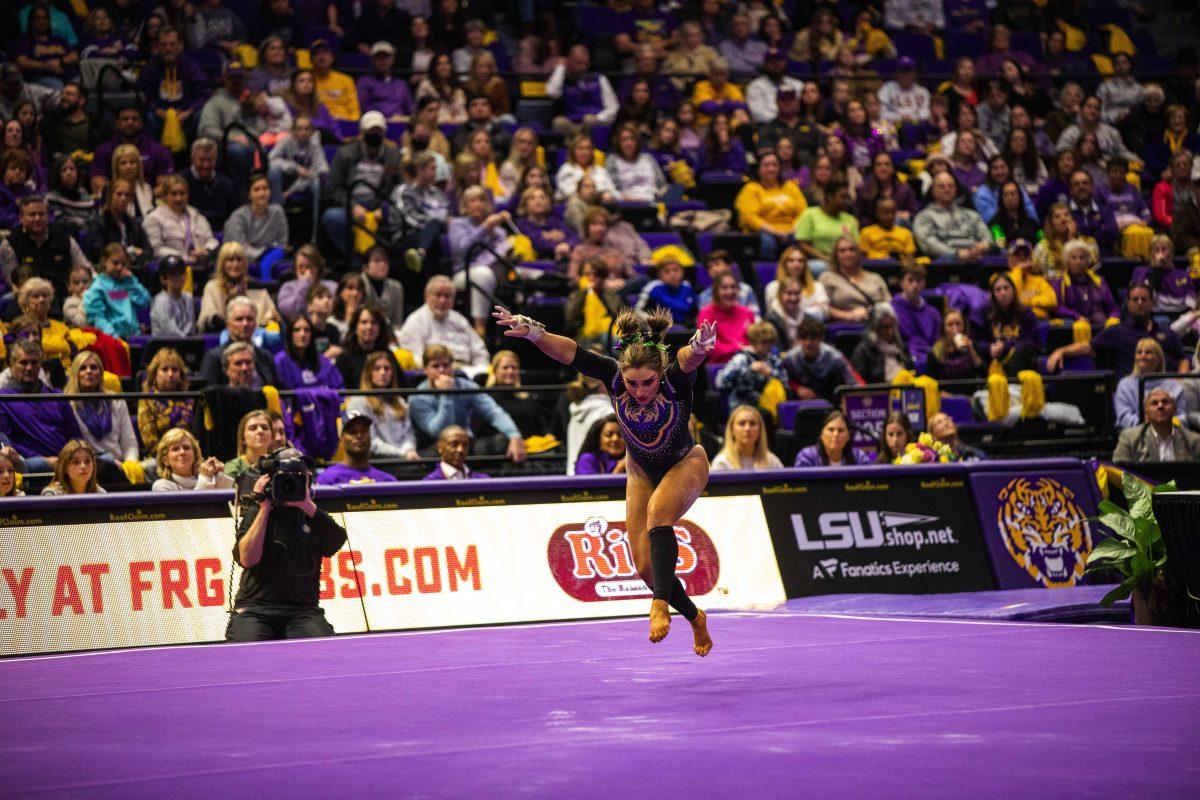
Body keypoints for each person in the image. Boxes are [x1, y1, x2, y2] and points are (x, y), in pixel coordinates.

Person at [494, 304, 716, 656]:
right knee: (645, 567)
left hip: (686, 461)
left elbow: (688, 359)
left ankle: (658, 605)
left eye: (647, 382)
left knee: (659, 512)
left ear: (660, 374)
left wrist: (701, 347)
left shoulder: (674, 381)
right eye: (632, 383)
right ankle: (695, 617)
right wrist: (535, 333)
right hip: (641, 469)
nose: (640, 390)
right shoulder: (612, 376)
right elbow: (571, 354)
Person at [228, 446, 347, 641]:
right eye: (287, 475)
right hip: (255, 609)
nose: (292, 479)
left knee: (319, 655)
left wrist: (306, 504)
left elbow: (336, 543)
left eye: (300, 474)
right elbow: (247, 559)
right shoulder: (257, 510)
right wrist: (264, 507)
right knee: (248, 656)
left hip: (303, 610)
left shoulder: (312, 514)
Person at [409, 343, 526, 460]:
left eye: (446, 365)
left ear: (452, 366)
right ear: (425, 370)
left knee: (503, 441)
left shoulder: (464, 385)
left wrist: (514, 435)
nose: (442, 370)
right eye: (435, 366)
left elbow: (492, 411)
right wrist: (446, 394)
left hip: (463, 444)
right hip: (435, 447)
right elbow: (439, 432)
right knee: (430, 454)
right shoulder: (418, 397)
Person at [1047, 284, 1187, 378]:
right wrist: (1061, 351)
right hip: (1133, 389)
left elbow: (1183, 359)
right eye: (1135, 299)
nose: (1139, 303)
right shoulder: (1117, 332)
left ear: (1152, 303)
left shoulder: (1167, 331)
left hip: (1168, 387)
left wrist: (1181, 380)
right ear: (1128, 303)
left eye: (1144, 299)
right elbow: (1088, 347)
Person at [0, 339, 82, 472]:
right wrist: (45, 460)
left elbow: (75, 434)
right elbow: (8, 442)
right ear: (11, 365)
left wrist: (68, 457)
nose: (29, 368)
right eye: (23, 362)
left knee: (104, 461)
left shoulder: (57, 395)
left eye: (34, 362)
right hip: (31, 463)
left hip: (66, 460)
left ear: (41, 365)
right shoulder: (3, 398)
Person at [0, 195, 91, 300]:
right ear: (21, 218)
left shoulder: (64, 238)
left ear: (48, 216)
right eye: (32, 214)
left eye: (41, 214)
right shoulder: (10, 244)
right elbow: (13, 283)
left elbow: (85, 267)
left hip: (65, 297)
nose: (37, 218)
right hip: (29, 299)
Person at [396, 275, 490, 376]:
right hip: (436, 374)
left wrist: (480, 371)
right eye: (438, 295)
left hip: (467, 372)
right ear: (426, 296)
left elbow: (480, 352)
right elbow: (416, 360)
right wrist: (446, 369)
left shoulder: (459, 320)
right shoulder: (415, 321)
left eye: (447, 296)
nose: (442, 300)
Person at [345, 351, 419, 461]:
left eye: (387, 368)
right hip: (378, 460)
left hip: (405, 457)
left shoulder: (399, 401)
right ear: (368, 373)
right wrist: (402, 454)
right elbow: (371, 442)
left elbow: (409, 435)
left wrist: (409, 450)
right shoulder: (358, 402)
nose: (383, 372)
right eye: (377, 369)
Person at [88, 102, 174, 194]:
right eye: (125, 119)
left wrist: (142, 198)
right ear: (117, 124)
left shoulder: (159, 150)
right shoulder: (103, 150)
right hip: (114, 201)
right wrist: (122, 196)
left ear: (141, 124)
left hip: (150, 200)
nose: (130, 122)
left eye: (135, 119)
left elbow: (166, 186)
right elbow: (97, 186)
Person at [735, 152, 807, 259]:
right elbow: (749, 217)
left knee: (801, 238)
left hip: (791, 231)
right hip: (763, 233)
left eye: (775, 165)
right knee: (768, 242)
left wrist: (793, 228)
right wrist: (774, 232)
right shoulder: (750, 189)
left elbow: (803, 212)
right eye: (766, 165)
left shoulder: (790, 186)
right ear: (758, 169)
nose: (771, 169)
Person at [198, 241, 280, 332]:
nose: (235, 264)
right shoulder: (212, 287)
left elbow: (271, 316)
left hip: (256, 338)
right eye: (230, 260)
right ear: (222, 263)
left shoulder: (255, 287)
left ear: (245, 263)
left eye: (239, 260)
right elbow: (209, 319)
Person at [197, 298, 278, 387]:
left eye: (249, 319)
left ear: (255, 324)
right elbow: (207, 394)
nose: (245, 324)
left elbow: (279, 390)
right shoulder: (214, 357)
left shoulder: (265, 356)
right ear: (228, 324)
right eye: (239, 319)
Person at [913, 173, 994, 262]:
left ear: (956, 189)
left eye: (951, 186)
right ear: (933, 191)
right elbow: (928, 244)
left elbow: (986, 235)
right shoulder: (924, 216)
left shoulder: (971, 214)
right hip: (946, 261)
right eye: (941, 186)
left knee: (1003, 253)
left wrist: (984, 245)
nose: (947, 189)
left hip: (976, 255)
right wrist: (956, 253)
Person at [1113, 339, 1189, 430]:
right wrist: (1148, 425)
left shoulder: (1174, 385)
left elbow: (1183, 418)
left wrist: (1163, 423)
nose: (1143, 356)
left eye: (1148, 352)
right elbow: (1124, 418)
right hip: (1137, 435)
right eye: (1139, 352)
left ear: (1158, 358)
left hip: (1171, 434)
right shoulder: (1125, 385)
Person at [544, 44, 619, 136]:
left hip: (593, 122)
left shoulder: (599, 79)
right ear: (569, 61)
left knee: (588, 120)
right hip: (573, 124)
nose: (583, 67)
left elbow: (613, 107)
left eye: (585, 63)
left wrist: (598, 118)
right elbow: (551, 93)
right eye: (578, 63)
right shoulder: (563, 80)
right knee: (558, 122)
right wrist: (561, 67)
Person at [714, 322, 788, 415]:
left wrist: (771, 373)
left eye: (770, 342)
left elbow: (786, 384)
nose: (768, 346)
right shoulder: (740, 359)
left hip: (770, 406)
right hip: (742, 407)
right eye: (764, 342)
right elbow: (720, 383)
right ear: (753, 342)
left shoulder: (774, 360)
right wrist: (749, 371)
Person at [975, 272, 1040, 376]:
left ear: (1014, 290)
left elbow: (1033, 341)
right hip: (991, 359)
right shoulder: (984, 312)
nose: (1003, 293)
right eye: (998, 290)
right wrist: (989, 347)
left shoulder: (1025, 312)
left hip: (1020, 361)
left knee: (1020, 351)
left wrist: (1006, 346)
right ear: (993, 294)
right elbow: (976, 340)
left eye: (1006, 288)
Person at [782, 317, 861, 401]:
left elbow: (854, 383)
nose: (808, 343)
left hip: (830, 404)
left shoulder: (835, 357)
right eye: (804, 338)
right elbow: (782, 381)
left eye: (812, 338)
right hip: (800, 404)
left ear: (821, 338)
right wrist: (797, 388)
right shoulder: (790, 358)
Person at [143, 175, 218, 263]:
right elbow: (156, 250)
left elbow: (212, 240)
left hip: (200, 265)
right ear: (165, 196)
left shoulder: (196, 215)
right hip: (172, 269)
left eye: (182, 193)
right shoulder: (154, 218)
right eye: (174, 194)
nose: (179, 198)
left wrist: (206, 250)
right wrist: (182, 258)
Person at [1112, 388, 1200, 463]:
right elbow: (1120, 474)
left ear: (1175, 410)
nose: (1160, 406)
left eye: (1165, 402)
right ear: (1146, 413)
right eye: (1154, 403)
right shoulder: (1129, 438)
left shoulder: (1194, 440)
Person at [82, 243, 150, 340]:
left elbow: (145, 302)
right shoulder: (97, 287)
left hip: (134, 337)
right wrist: (115, 338)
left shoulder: (128, 282)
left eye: (123, 263)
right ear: (105, 261)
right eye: (115, 263)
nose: (119, 267)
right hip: (113, 340)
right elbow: (97, 318)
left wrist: (131, 282)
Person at [819, 237, 890, 323]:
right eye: (842, 251)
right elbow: (824, 307)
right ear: (836, 255)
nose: (847, 254)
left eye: (852, 249)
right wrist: (849, 315)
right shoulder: (828, 277)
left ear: (859, 253)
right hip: (844, 326)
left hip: (876, 324)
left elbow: (888, 303)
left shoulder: (875, 278)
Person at [315, 411, 396, 486]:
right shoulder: (327, 480)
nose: (359, 436)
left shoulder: (388, 481)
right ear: (341, 438)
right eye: (352, 432)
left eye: (364, 431)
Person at [795, 180, 859, 272]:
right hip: (817, 261)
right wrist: (826, 258)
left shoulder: (850, 220)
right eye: (843, 197)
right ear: (830, 197)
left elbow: (855, 246)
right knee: (821, 267)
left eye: (847, 197)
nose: (847, 201)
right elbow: (802, 244)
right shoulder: (809, 214)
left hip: (845, 261)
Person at [224, 174, 288, 263]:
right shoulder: (238, 217)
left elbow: (280, 243)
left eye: (265, 189)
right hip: (242, 262)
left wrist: (271, 249)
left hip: (271, 259)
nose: (262, 194)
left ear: (270, 192)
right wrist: (263, 253)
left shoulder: (277, 212)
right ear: (249, 195)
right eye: (256, 190)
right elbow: (240, 248)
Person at [1054, 240, 1120, 328]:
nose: (1078, 261)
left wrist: (1113, 318)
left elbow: (1113, 308)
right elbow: (1058, 308)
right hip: (1074, 326)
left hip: (1101, 324)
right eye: (1074, 258)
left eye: (1082, 257)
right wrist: (1077, 316)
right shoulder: (1060, 282)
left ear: (1087, 260)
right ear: (1067, 261)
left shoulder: (1098, 281)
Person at [697, 273, 757, 365]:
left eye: (733, 287)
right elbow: (707, 345)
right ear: (716, 291)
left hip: (749, 363)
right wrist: (737, 348)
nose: (730, 292)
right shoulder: (706, 313)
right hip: (720, 365)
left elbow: (754, 341)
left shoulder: (747, 313)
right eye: (725, 288)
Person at [86, 179, 150, 263]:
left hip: (134, 268)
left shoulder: (134, 224)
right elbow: (98, 253)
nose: (123, 199)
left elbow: (149, 251)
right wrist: (130, 251)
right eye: (119, 194)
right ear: (109, 196)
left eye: (127, 195)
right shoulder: (98, 223)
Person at [274, 314, 343, 390]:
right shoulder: (280, 361)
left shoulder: (322, 361)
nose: (302, 334)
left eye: (307, 330)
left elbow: (339, 388)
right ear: (290, 334)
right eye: (297, 330)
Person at [152, 427, 234, 491]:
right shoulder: (162, 486)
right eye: (175, 449)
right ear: (165, 460)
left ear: (194, 455)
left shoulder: (208, 479)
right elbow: (193, 511)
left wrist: (220, 476)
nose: (182, 452)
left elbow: (221, 507)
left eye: (186, 447)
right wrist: (205, 480)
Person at [851, 310, 912, 384]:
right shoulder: (863, 350)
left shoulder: (902, 347)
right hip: (879, 392)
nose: (890, 331)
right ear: (876, 328)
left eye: (892, 326)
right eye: (885, 327)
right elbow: (859, 382)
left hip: (904, 390)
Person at [794, 410, 869, 467]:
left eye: (841, 430)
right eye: (831, 430)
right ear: (821, 434)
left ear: (848, 436)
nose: (835, 434)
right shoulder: (807, 456)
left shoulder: (859, 457)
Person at [636, 258, 698, 327]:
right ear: (660, 274)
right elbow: (638, 311)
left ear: (682, 271)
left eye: (675, 270)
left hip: (686, 328)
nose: (672, 274)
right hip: (660, 329)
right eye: (667, 271)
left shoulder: (687, 287)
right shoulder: (653, 288)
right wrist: (653, 321)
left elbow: (696, 312)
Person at [1007, 240, 1058, 321]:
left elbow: (1052, 301)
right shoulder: (1001, 279)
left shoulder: (1039, 280)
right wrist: (1018, 270)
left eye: (1025, 254)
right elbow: (1009, 301)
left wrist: (1026, 301)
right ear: (1009, 260)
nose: (1022, 258)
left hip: (1039, 323)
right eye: (1017, 255)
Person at [358, 246, 405, 333]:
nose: (382, 264)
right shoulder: (358, 284)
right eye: (377, 261)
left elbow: (397, 321)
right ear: (365, 267)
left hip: (388, 333)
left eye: (385, 261)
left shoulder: (396, 287)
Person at [149, 255, 194, 336]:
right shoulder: (161, 300)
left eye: (181, 273)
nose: (179, 277)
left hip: (187, 343)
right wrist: (186, 340)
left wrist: (188, 340)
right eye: (173, 274)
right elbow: (169, 331)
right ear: (163, 279)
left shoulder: (188, 297)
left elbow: (190, 324)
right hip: (164, 345)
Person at [41, 439, 106, 495]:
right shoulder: (52, 494)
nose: (83, 466)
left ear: (93, 466)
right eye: (76, 462)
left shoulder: (100, 493)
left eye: (87, 461)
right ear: (64, 468)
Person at [423, 425, 488, 480]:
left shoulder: (483, 480)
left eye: (465, 445)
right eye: (454, 444)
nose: (460, 450)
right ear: (440, 447)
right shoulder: (429, 483)